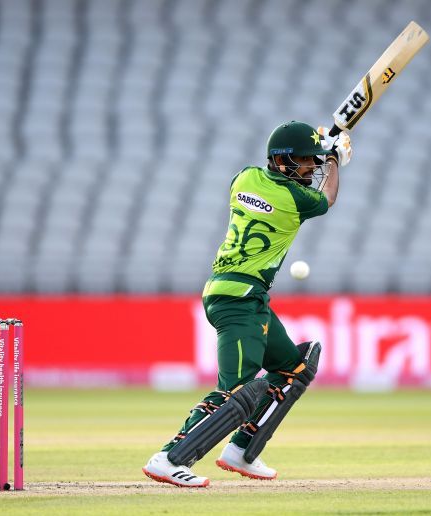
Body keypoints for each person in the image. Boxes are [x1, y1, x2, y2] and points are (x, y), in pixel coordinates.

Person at [142, 121, 352, 487]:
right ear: (284, 161)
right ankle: (169, 457)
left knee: (296, 366)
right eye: (305, 161)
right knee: (238, 389)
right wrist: (334, 158)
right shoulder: (296, 200)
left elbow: (296, 189)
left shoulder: (244, 178)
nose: (311, 169)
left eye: (313, 162)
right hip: (238, 299)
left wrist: (322, 149)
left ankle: (241, 450)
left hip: (241, 294)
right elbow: (328, 198)